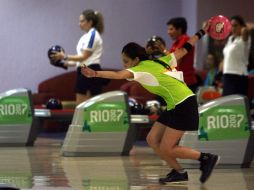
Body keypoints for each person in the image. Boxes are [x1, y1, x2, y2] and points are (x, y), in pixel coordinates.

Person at [81, 21, 220, 184]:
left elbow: (118, 75)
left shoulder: (140, 69)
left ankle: (206, 158)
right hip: (176, 104)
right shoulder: (161, 61)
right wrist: (202, 32)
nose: (124, 65)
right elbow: (185, 49)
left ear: (136, 60)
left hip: (183, 104)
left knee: (168, 148)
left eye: (126, 61)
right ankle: (179, 172)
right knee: (152, 139)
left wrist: (95, 73)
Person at [51, 9, 108, 104]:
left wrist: (64, 56)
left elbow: (84, 56)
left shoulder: (93, 35)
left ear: (90, 22)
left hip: (90, 70)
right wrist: (62, 63)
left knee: (85, 105)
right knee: (82, 104)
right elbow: (80, 61)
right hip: (83, 70)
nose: (79, 24)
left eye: (82, 21)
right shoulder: (85, 37)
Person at [155, 17, 198, 93]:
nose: (168, 32)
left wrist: (164, 50)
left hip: (186, 82)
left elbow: (176, 60)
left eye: (171, 29)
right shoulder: (176, 43)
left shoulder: (186, 40)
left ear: (179, 29)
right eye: (168, 29)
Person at [222, 15, 250, 96]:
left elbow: (245, 31)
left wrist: (244, 27)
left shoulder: (245, 39)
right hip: (227, 76)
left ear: (241, 26)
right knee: (226, 104)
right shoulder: (230, 39)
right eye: (231, 26)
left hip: (238, 76)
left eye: (235, 25)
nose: (233, 28)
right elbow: (227, 56)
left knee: (237, 105)